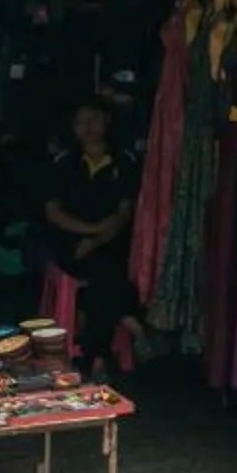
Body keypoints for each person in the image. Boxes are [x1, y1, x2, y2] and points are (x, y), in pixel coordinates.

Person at [44, 100, 143, 376]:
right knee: (107, 272)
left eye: (94, 119)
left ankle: (97, 356)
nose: (88, 127)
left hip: (108, 243)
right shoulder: (65, 162)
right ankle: (131, 322)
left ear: (106, 121)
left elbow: (124, 214)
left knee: (104, 272)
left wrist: (97, 240)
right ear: (73, 127)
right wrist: (90, 231)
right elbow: (53, 213)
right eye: (81, 122)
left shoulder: (124, 161)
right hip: (71, 243)